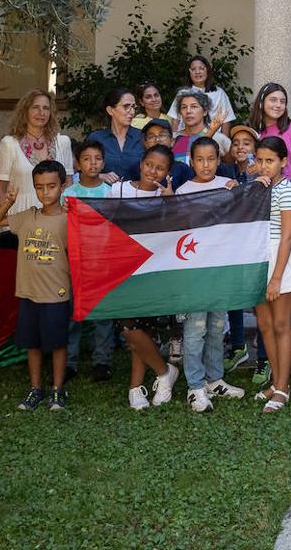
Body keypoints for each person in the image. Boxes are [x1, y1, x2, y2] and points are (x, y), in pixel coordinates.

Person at [0, 160, 73, 411]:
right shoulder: (27, 217)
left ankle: (58, 391)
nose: (45, 192)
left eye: (51, 186)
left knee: (57, 344)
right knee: (32, 344)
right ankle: (36, 389)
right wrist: (9, 201)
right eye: (39, 187)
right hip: (28, 293)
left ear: (62, 185)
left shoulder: (70, 219)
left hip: (56, 293)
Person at [175, 137, 243, 412]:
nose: (205, 164)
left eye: (211, 159)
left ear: (218, 160)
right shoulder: (183, 192)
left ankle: (215, 379)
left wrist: (238, 193)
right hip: (194, 272)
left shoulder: (227, 187)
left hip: (220, 269)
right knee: (195, 330)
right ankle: (195, 385)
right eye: (199, 159)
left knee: (216, 326)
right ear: (190, 161)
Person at [114, 145, 179, 410]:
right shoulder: (118, 190)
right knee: (130, 329)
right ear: (141, 163)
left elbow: (175, 234)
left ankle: (135, 388)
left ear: (167, 173)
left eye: (160, 168)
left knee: (144, 329)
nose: (153, 171)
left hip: (153, 270)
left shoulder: (165, 197)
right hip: (124, 270)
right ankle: (165, 372)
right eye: (150, 164)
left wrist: (169, 203)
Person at [252, 137, 291, 413]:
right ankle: (275, 380)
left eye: (269, 161)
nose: (263, 166)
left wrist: (276, 278)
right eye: (259, 160)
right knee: (265, 325)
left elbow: (286, 238)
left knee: (282, 325)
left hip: (280, 261)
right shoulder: (257, 188)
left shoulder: (287, 191)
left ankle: (283, 387)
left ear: (284, 162)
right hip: (259, 258)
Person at [62, 140, 116, 383]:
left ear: (103, 162)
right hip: (74, 261)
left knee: (102, 314)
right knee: (73, 313)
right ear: (77, 163)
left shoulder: (110, 193)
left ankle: (102, 361)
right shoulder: (69, 194)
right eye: (86, 159)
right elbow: (62, 227)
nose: (92, 163)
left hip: (102, 262)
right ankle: (69, 362)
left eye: (97, 158)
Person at [0, 90, 73, 216]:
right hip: (20, 216)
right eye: (35, 107)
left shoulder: (62, 142)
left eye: (46, 108)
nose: (41, 113)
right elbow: (0, 188)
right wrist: (6, 223)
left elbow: (68, 183)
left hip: (56, 218)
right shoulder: (9, 144)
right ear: (25, 111)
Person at [86, 88, 145, 186]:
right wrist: (100, 176)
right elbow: (82, 172)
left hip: (136, 197)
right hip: (105, 197)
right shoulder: (96, 138)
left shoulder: (142, 137)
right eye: (126, 106)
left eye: (133, 107)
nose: (132, 112)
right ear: (110, 110)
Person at [166, 55, 235, 133]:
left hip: (213, 138)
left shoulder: (219, 93)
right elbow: (175, 119)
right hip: (186, 137)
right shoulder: (183, 93)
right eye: (193, 69)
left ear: (207, 70)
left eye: (201, 68)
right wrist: (174, 138)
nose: (197, 72)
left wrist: (224, 141)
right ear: (189, 72)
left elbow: (226, 120)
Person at [251, 82, 291, 178]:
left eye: (282, 101)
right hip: (261, 186)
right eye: (273, 100)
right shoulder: (254, 131)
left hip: (289, 187)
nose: (278, 105)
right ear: (261, 102)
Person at [171, 90, 229, 167]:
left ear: (205, 111)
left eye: (194, 106)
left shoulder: (219, 138)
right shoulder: (173, 138)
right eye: (184, 107)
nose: (188, 111)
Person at [140, 119, 193, 190]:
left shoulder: (183, 169)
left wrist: (171, 198)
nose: (157, 140)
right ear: (145, 143)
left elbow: (191, 197)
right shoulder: (135, 168)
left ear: (172, 141)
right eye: (151, 136)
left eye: (162, 135)